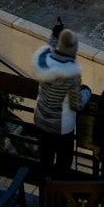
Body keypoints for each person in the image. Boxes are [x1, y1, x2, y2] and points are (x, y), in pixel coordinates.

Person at [32, 28, 87, 177]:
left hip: (41, 121)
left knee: (45, 163)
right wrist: (86, 93)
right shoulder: (72, 75)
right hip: (61, 127)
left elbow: (50, 50)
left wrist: (55, 35)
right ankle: (59, 198)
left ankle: (44, 197)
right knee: (63, 165)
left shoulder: (43, 61)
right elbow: (76, 105)